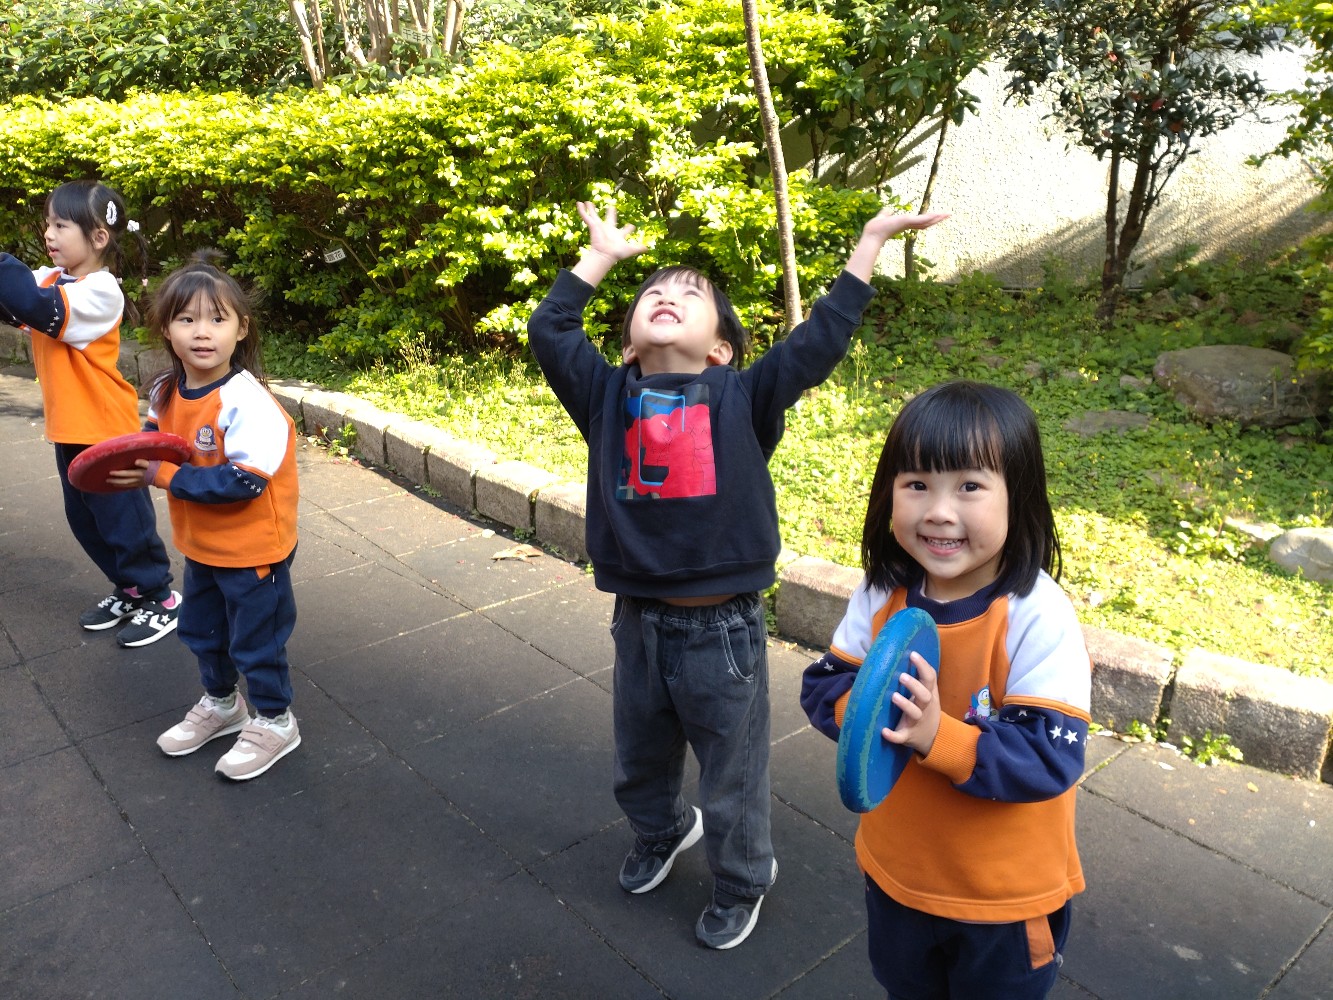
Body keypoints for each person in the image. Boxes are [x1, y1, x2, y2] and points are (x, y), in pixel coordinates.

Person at [528, 197, 948, 950]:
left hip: (721, 631)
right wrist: (599, 258)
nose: (665, 296)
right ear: (627, 343)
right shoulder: (606, 396)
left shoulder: (743, 396)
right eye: (652, 293)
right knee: (639, 759)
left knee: (733, 773)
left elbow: (816, 342)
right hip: (638, 621)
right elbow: (550, 329)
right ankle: (662, 829)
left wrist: (868, 245)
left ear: (720, 348)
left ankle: (742, 878)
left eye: (689, 296)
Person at [800, 380, 1092, 999]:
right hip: (898, 873)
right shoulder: (884, 590)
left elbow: (1049, 756)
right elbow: (824, 687)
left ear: (1020, 496)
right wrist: (877, 710)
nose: (937, 510)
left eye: (969, 487)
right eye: (916, 484)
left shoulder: (1036, 613)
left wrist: (936, 735)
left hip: (1003, 897)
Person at [107, 251, 301, 781]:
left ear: (242, 329)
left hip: (253, 549)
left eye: (217, 318)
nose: (202, 331)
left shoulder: (246, 402)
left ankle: (276, 720)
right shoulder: (167, 390)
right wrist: (129, 458)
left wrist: (162, 477)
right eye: (186, 318)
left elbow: (243, 482)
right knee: (203, 630)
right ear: (166, 329)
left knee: (256, 641)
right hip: (202, 545)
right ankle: (223, 705)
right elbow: (156, 438)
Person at [0, 180, 180, 647]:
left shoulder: (100, 292)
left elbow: (33, 305)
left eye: (61, 225)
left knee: (124, 520)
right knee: (85, 520)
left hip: (104, 427)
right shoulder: (51, 278)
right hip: (70, 426)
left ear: (99, 237)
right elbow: (12, 302)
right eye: (48, 224)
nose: (49, 234)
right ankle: (130, 588)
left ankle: (160, 597)